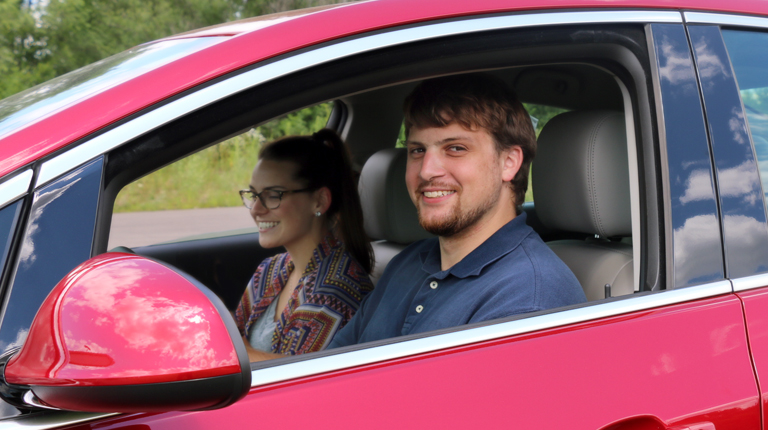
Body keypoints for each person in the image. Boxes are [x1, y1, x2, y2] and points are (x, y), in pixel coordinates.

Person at [330, 74, 586, 347]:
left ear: (508, 163)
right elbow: (330, 367)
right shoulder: (408, 262)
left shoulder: (529, 299)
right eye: (417, 150)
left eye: (455, 148)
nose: (427, 171)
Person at [234, 129, 374, 361]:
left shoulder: (334, 293)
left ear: (319, 201)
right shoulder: (269, 271)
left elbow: (298, 381)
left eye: (273, 195)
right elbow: (233, 335)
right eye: (253, 194)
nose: (256, 209)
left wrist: (239, 351)